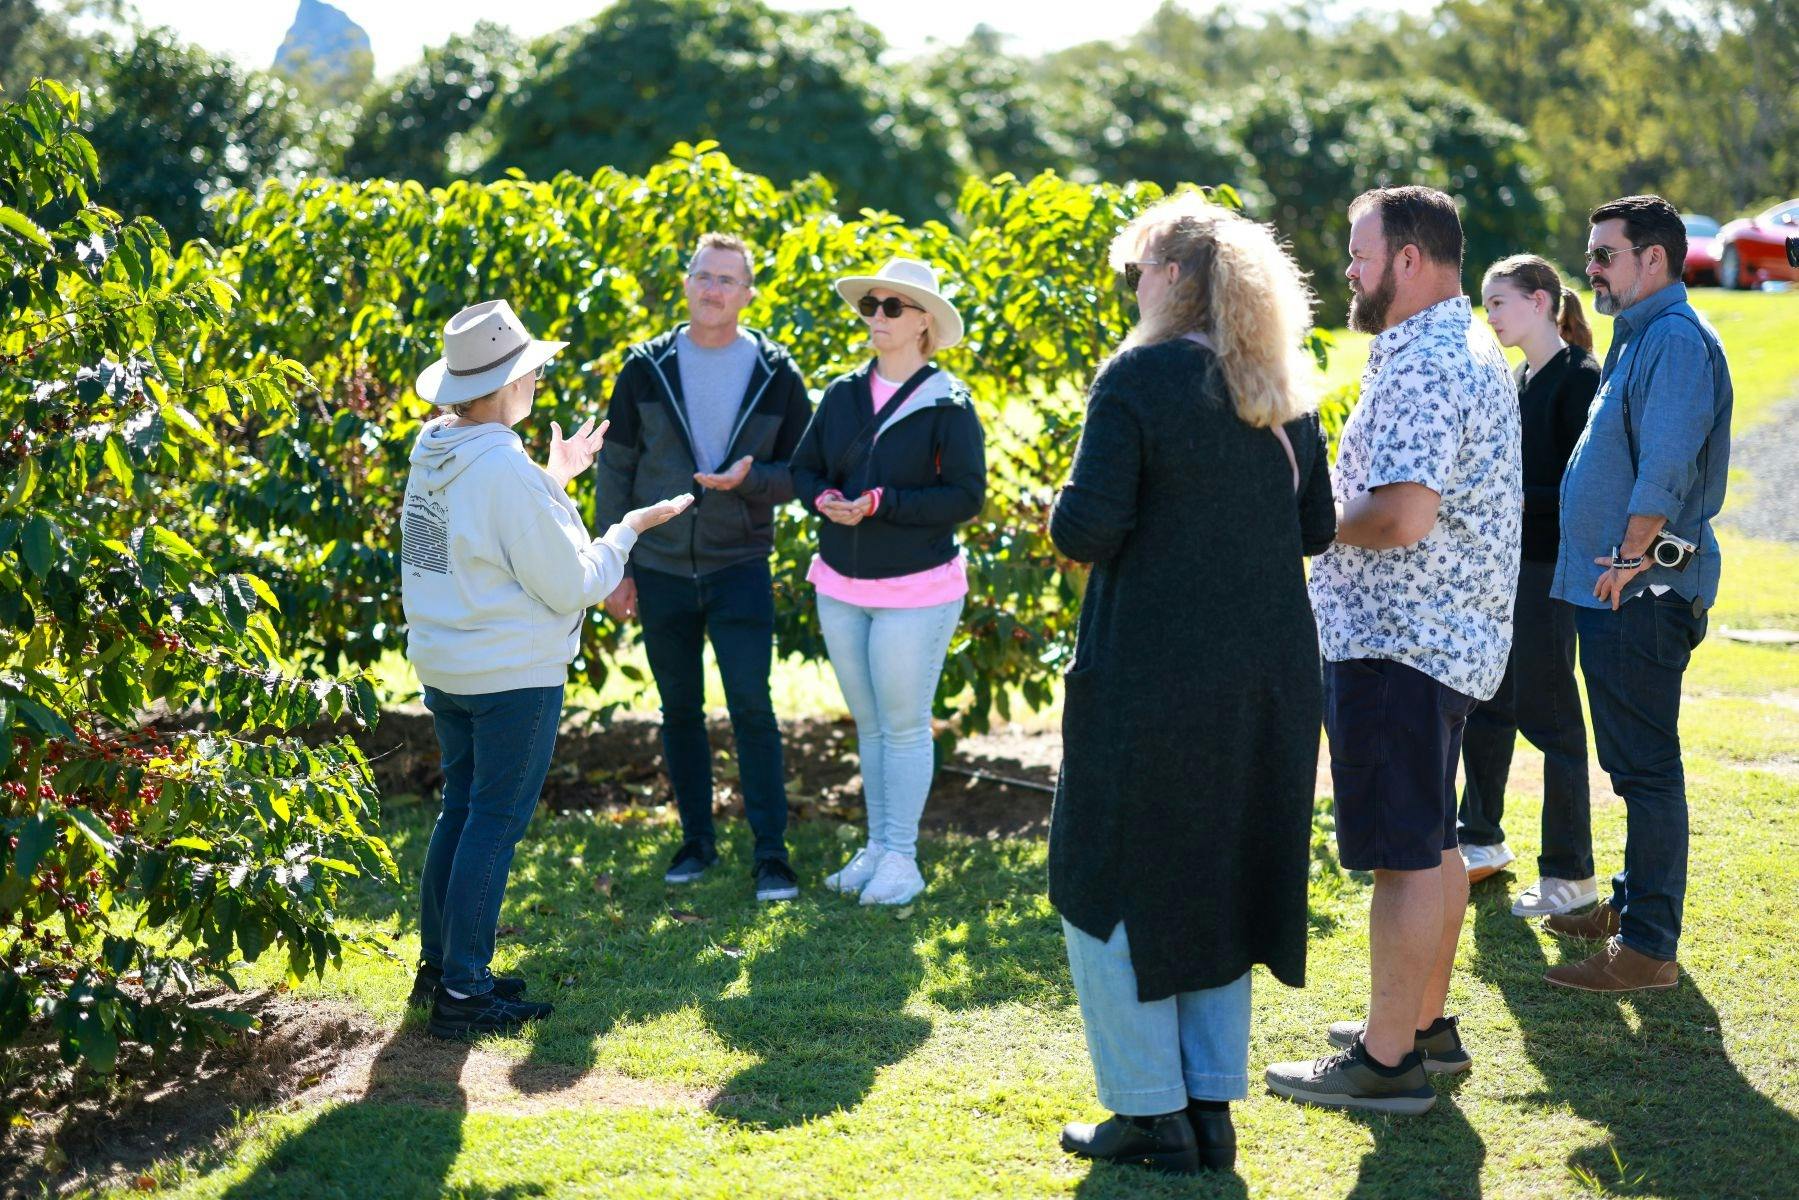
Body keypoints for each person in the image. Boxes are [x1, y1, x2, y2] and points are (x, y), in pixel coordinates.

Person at [1048, 194, 1336, 1175]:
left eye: (1139, 269)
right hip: (1266, 678)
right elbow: (1312, 529)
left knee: (1107, 874)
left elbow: (1085, 530)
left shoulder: (1137, 375)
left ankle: (1147, 1111)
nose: (1134, 286)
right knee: (1221, 874)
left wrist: (1061, 495)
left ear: (1171, 276)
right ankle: (1208, 1111)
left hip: (1154, 675)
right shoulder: (1279, 382)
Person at [1265, 186, 1520, 1115]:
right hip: (1440, 640)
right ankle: (1420, 1026)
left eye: (1358, 253)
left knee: (1402, 857)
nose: (1348, 270)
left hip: (1398, 642)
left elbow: (1402, 515)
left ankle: (1384, 1062)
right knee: (1433, 840)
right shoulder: (1455, 343)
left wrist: (1301, 526)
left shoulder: (1424, 362)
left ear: (1408, 258)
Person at [401, 299, 692, 1038]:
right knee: (491, 825)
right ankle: (464, 994)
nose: (537, 381)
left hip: (449, 663)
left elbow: (490, 544)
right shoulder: (502, 467)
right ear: (509, 384)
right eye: (531, 371)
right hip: (510, 675)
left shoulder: (437, 449)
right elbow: (568, 583)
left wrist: (553, 480)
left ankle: (441, 968)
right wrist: (625, 531)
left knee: (461, 812)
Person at [1541, 194, 1732, 992]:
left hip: (1640, 592)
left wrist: (1624, 561)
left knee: (1646, 772)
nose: (1590, 268)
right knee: (1633, 766)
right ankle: (1628, 906)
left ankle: (1648, 949)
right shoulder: (1639, 336)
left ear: (1652, 259)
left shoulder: (1677, 342)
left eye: (1604, 254)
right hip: (1622, 589)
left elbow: (1664, 471)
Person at [594, 233, 813, 903]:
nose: (713, 288)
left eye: (727, 279)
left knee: (752, 706)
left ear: (747, 294)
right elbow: (616, 466)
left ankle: (770, 854)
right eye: (703, 275)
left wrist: (750, 481)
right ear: (686, 283)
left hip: (738, 564)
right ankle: (695, 841)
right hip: (658, 567)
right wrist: (614, 565)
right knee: (679, 709)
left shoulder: (776, 373)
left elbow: (802, 472)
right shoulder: (644, 368)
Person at [789, 258, 985, 907]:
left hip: (916, 590)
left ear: (923, 322)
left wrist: (882, 502)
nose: (875, 316)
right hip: (840, 584)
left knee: (902, 727)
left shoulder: (948, 403)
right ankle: (877, 848)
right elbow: (805, 470)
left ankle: (902, 857)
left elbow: (965, 496)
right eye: (869, 305)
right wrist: (822, 500)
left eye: (890, 307)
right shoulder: (842, 393)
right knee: (870, 725)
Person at [1457, 255, 1601, 918]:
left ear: (1541, 301)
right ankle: (1478, 843)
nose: (1489, 316)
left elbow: (1584, 492)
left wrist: (1506, 497)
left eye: (1499, 303)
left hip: (1548, 572)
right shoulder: (1517, 376)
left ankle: (1569, 880)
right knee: (1487, 704)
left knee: (1554, 725)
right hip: (1503, 568)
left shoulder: (1579, 378)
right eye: (1485, 304)